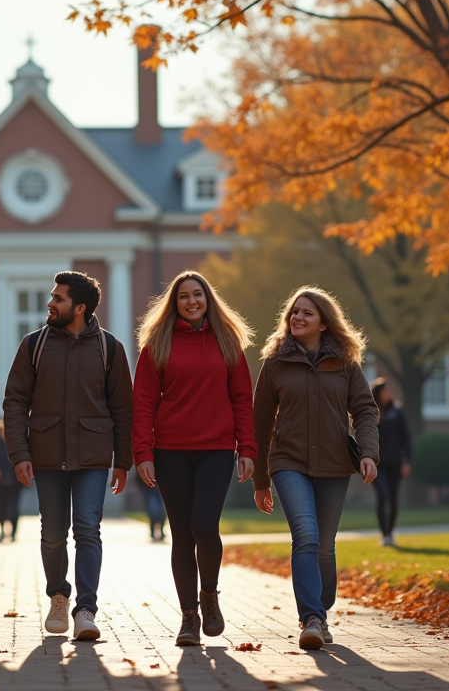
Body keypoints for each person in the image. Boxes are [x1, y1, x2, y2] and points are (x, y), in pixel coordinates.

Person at [4, 270, 133, 642]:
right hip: (45, 455)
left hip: (93, 456)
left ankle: (86, 610)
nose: (50, 303)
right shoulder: (34, 345)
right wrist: (18, 452)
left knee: (88, 530)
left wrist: (122, 461)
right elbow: (15, 402)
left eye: (58, 299)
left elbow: (123, 408)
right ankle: (59, 596)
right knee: (53, 533)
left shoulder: (109, 348)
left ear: (78, 308)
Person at [132, 270, 257, 646]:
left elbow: (242, 400)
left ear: (208, 299)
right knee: (182, 536)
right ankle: (188, 617)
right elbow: (143, 402)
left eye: (197, 295)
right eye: (183, 296)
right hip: (170, 452)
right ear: (174, 304)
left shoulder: (228, 342)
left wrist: (247, 448)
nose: (191, 302)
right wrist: (143, 452)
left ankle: (209, 597)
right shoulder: (157, 344)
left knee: (205, 525)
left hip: (216, 450)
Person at [253, 286, 380, 651]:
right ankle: (311, 617)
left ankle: (319, 612)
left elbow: (365, 409)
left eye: (306, 313)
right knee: (305, 535)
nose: (298, 318)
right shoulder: (276, 363)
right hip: (288, 462)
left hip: (335, 464)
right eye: (294, 312)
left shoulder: (345, 363)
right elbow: (261, 423)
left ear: (324, 323)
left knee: (324, 546)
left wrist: (368, 451)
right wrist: (261, 480)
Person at [370, 378, 412, 547]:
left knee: (393, 499)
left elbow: (405, 437)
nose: (388, 394)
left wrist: (407, 460)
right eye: (385, 390)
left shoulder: (397, 411)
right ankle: (384, 533)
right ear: (378, 393)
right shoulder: (371, 411)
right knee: (382, 496)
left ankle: (390, 532)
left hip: (395, 462)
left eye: (389, 390)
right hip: (378, 462)